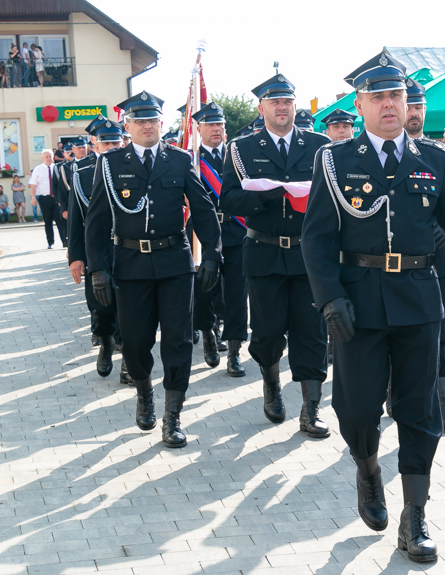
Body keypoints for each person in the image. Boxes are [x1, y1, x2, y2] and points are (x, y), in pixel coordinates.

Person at [301, 49, 445, 563]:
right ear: (361, 104)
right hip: (357, 301)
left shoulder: (434, 158)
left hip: (418, 299)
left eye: (398, 96)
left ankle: (415, 516)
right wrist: (328, 300)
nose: (390, 105)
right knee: (357, 408)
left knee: (419, 409)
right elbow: (316, 239)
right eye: (379, 97)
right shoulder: (334, 160)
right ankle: (367, 471)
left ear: (408, 102)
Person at [85, 91, 222, 449]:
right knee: (135, 341)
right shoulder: (111, 163)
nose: (147, 126)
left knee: (178, 341)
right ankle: (144, 393)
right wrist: (97, 268)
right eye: (139, 121)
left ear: (162, 124)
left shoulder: (179, 161)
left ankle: (172, 416)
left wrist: (211, 254)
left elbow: (204, 209)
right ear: (126, 126)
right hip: (129, 266)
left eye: (153, 120)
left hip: (174, 263)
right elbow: (97, 221)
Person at [220, 74, 332, 438]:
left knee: (311, 332)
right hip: (264, 251)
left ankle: (310, 408)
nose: (281, 108)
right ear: (262, 108)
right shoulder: (241, 148)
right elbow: (229, 200)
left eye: (287, 102)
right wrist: (266, 195)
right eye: (274, 102)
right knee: (267, 333)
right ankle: (271, 384)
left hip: (307, 255)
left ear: (294, 106)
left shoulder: (319, 145)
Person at [400, 79, 445, 434]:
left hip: (436, 261)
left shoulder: (440, 153)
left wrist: (443, 229)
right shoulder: (387, 151)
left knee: (441, 333)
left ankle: (443, 401)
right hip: (397, 262)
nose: (414, 112)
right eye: (409, 105)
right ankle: (396, 393)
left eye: (419, 106)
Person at [69, 116, 130, 385]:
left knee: (131, 307)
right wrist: (76, 257)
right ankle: (105, 343)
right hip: (98, 250)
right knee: (101, 306)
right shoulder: (82, 173)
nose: (111, 146)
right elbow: (75, 219)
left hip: (128, 248)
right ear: (94, 144)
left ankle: (129, 360)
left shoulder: (132, 166)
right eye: (105, 142)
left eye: (116, 141)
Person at [191, 102, 248, 378]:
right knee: (204, 291)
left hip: (235, 232)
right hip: (203, 235)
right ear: (198, 129)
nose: (217, 130)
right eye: (211, 125)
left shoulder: (237, 156)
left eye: (220, 125)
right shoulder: (189, 159)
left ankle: (235, 352)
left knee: (237, 294)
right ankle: (208, 333)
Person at [28, 150, 65, 249]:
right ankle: (50, 242)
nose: (49, 158)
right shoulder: (38, 169)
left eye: (50, 156)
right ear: (42, 158)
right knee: (48, 221)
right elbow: (33, 184)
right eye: (46, 157)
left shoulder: (57, 168)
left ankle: (64, 241)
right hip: (44, 198)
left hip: (56, 199)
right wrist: (33, 198)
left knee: (60, 220)